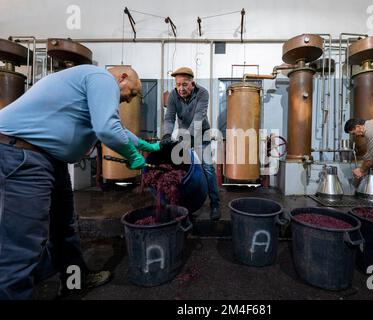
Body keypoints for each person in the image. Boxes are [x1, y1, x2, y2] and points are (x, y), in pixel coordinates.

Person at [0, 64, 169, 299]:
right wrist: (132, 156)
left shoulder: (93, 85)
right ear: (122, 77)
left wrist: (146, 146)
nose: (129, 100)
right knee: (20, 248)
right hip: (22, 156)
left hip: (49, 160)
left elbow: (116, 127)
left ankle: (74, 281)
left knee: (63, 229)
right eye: (131, 93)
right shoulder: (101, 78)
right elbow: (108, 129)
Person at [163, 67, 221, 220]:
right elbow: (169, 118)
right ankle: (183, 203)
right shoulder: (173, 96)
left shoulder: (202, 93)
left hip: (202, 134)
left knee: (207, 168)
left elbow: (198, 118)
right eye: (178, 84)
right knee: (180, 169)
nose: (180, 88)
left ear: (192, 83)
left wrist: (185, 137)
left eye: (184, 84)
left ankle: (215, 203)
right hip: (184, 135)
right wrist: (167, 134)